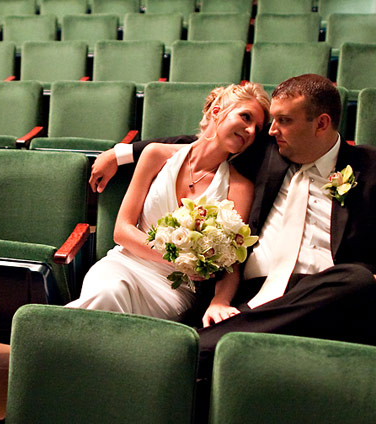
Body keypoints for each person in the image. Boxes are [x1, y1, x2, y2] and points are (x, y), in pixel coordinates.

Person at [90, 74, 376, 358]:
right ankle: (213, 347)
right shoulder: (267, 152)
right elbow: (207, 140)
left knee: (358, 281)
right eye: (272, 120)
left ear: (321, 124)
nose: (270, 130)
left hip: (326, 293)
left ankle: (192, 350)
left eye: (284, 121)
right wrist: (121, 153)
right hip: (252, 299)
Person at [66, 83, 271, 323]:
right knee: (109, 291)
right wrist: (177, 257)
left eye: (257, 128)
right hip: (123, 263)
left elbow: (232, 265)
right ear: (217, 111)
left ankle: (51, 330)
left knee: (109, 299)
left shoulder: (240, 187)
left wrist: (220, 302)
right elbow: (121, 231)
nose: (250, 130)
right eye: (245, 117)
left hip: (174, 288)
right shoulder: (155, 155)